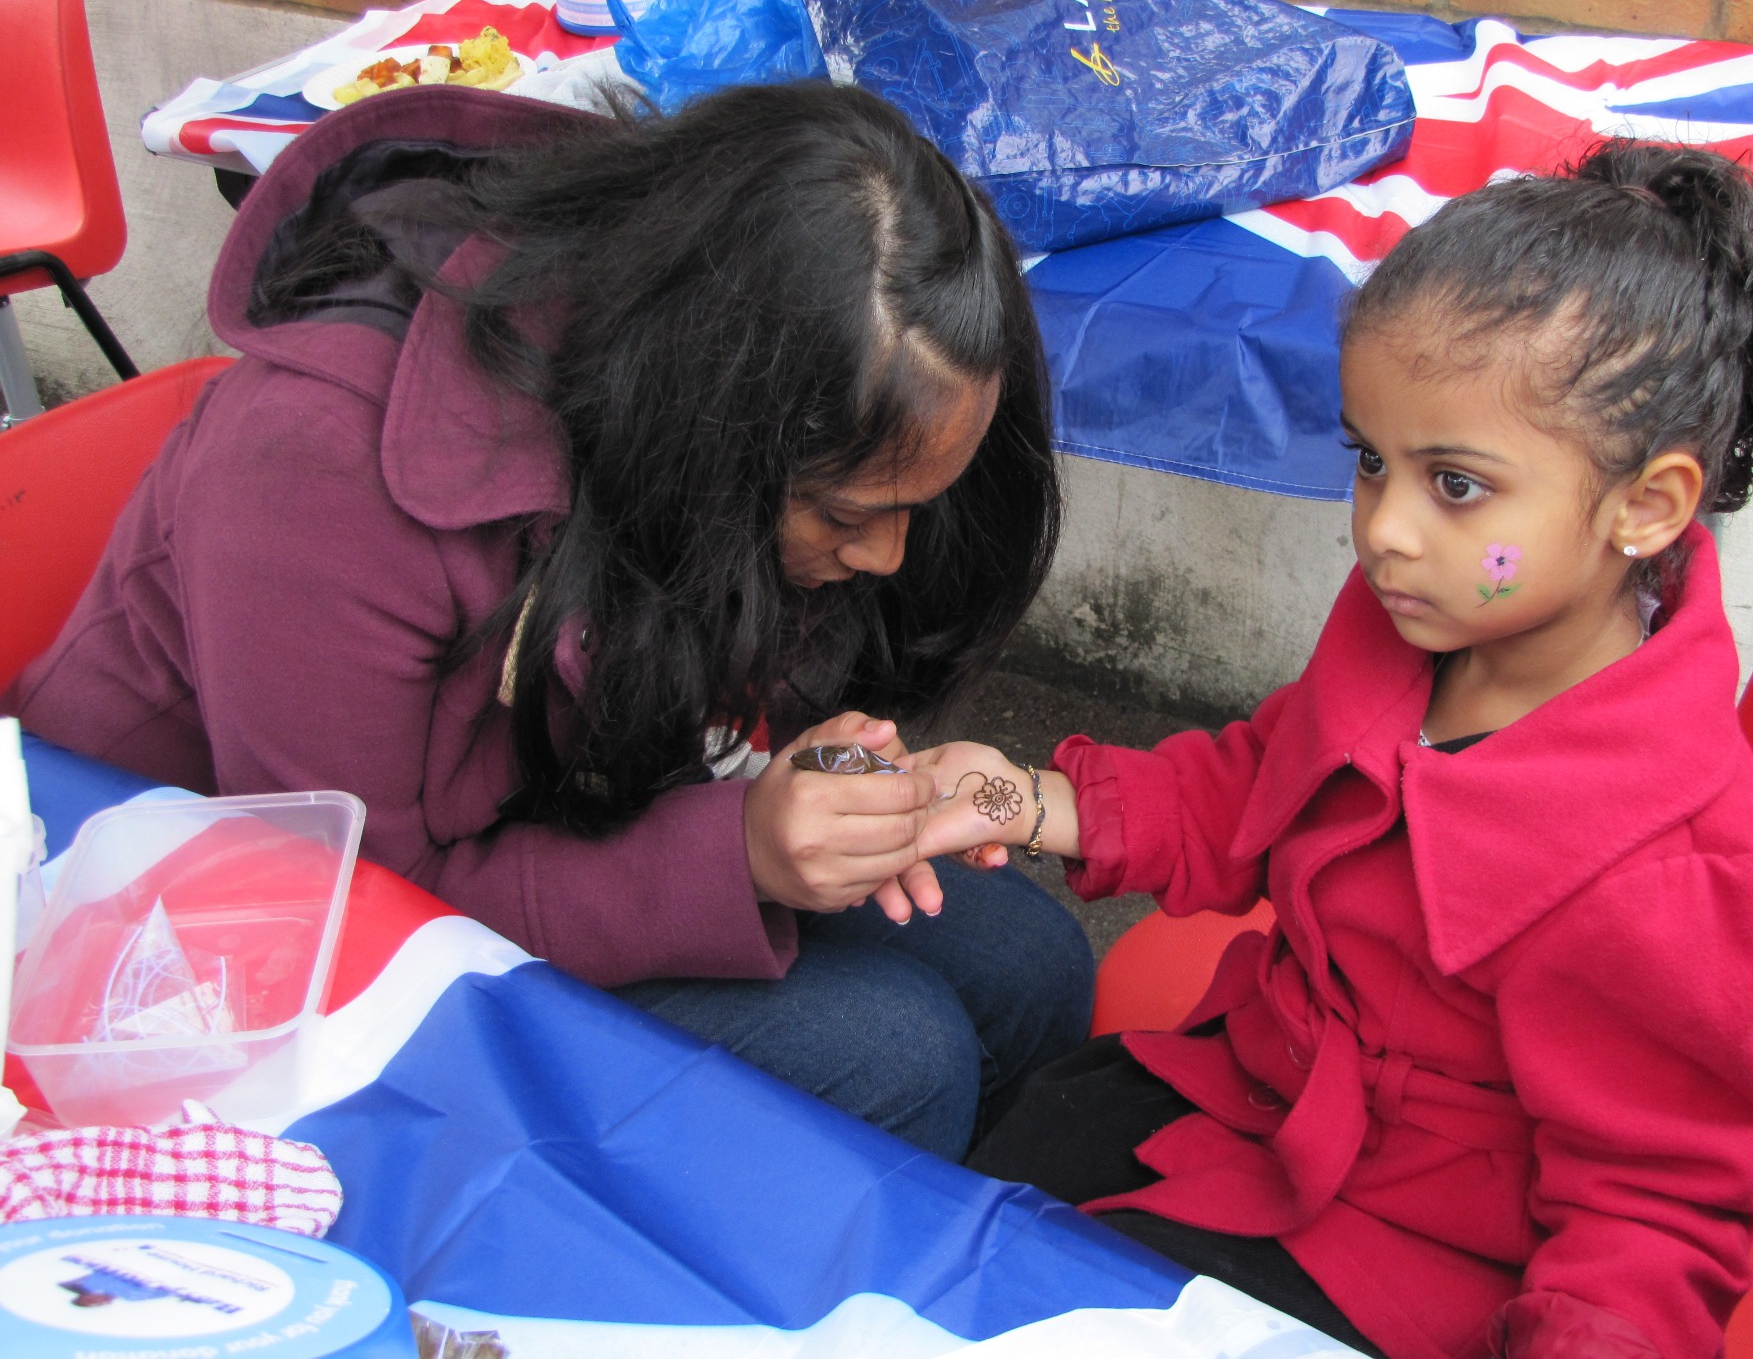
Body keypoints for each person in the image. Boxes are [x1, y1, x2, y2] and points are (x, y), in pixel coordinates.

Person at [3, 81, 1094, 1163]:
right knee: (895, 1057)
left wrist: (842, 782)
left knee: (1024, 961)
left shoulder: (679, 357)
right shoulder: (315, 467)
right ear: (711, 423)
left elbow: (689, 658)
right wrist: (745, 853)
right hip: (195, 957)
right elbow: (366, 922)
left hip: (533, 816)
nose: (889, 556)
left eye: (916, 508)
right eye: (853, 513)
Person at [911, 141, 1753, 1357]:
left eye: (1453, 484)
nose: (1382, 531)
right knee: (966, 1231)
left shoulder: (1682, 864)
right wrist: (1017, 798)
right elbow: (1256, 783)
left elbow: (1650, 1215)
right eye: (1367, 462)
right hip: (1237, 1102)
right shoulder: (1420, 626)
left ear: (1644, 506)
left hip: (1402, 1263)